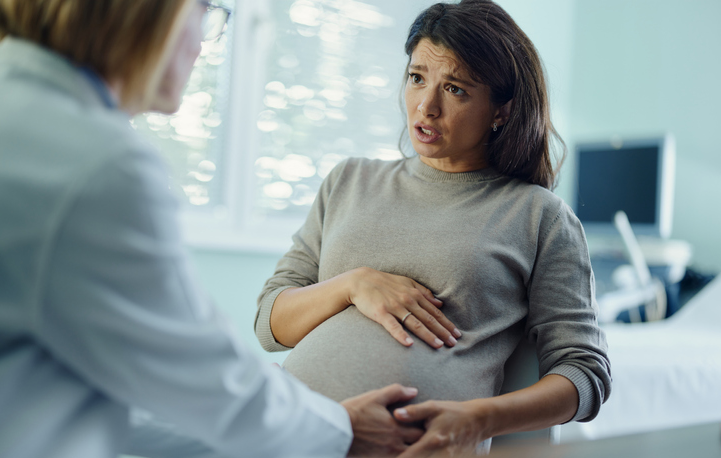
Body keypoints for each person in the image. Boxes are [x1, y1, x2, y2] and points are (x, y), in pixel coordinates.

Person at [0, 1, 426, 457]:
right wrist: (340, 428)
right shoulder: (94, 162)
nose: (204, 41)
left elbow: (117, 399)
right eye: (202, 11)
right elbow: (205, 380)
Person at [255, 0, 613, 455]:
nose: (426, 106)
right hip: (290, 433)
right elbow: (270, 325)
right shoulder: (349, 180)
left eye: (456, 89)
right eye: (416, 77)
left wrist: (478, 419)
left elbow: (586, 373)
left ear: (500, 110)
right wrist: (354, 285)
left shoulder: (539, 217)